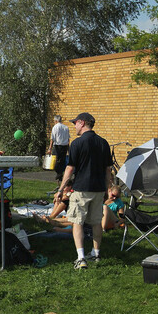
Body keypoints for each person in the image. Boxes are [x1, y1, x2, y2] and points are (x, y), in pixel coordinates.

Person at [54, 112, 112, 269]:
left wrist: (60, 189)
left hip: (81, 189)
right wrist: (107, 188)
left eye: (75, 123)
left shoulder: (77, 144)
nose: (74, 126)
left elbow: (70, 168)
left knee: (77, 222)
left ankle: (81, 258)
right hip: (99, 189)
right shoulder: (104, 143)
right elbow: (108, 170)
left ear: (82, 123)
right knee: (96, 223)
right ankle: (96, 254)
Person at [47, 115, 70, 183]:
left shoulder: (55, 127)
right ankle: (60, 174)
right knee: (62, 160)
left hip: (57, 146)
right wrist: (68, 149)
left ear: (56, 121)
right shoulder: (66, 127)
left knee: (55, 160)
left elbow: (52, 139)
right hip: (64, 146)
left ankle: (59, 173)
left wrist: (50, 148)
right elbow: (68, 139)